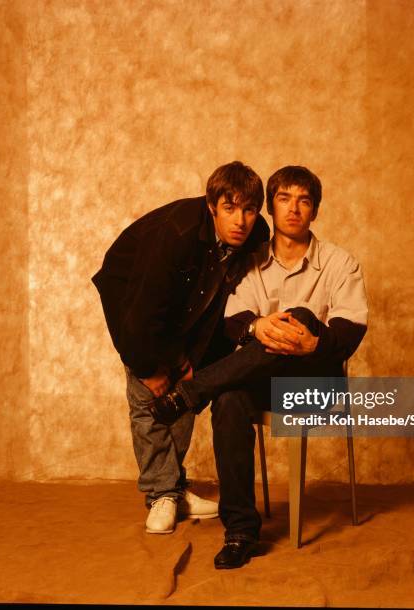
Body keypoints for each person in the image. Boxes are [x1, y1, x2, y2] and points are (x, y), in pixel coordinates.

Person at [152, 165, 368, 568]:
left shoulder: (341, 263)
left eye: (304, 200)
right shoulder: (249, 263)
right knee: (230, 398)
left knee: (301, 314)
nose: (294, 209)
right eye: (284, 199)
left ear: (315, 210)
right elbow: (234, 321)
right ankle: (240, 533)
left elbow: (350, 331)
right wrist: (258, 325)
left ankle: (192, 391)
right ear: (270, 207)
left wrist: (312, 340)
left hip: (316, 382)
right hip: (259, 379)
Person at [91, 161, 270, 535]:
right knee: (150, 395)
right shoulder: (176, 234)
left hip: (187, 306)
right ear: (211, 205)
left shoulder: (255, 237)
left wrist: (194, 364)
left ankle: (173, 487)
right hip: (133, 297)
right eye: (229, 208)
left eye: (249, 209)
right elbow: (142, 313)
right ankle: (161, 494)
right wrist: (150, 369)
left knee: (184, 392)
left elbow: (223, 301)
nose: (240, 220)